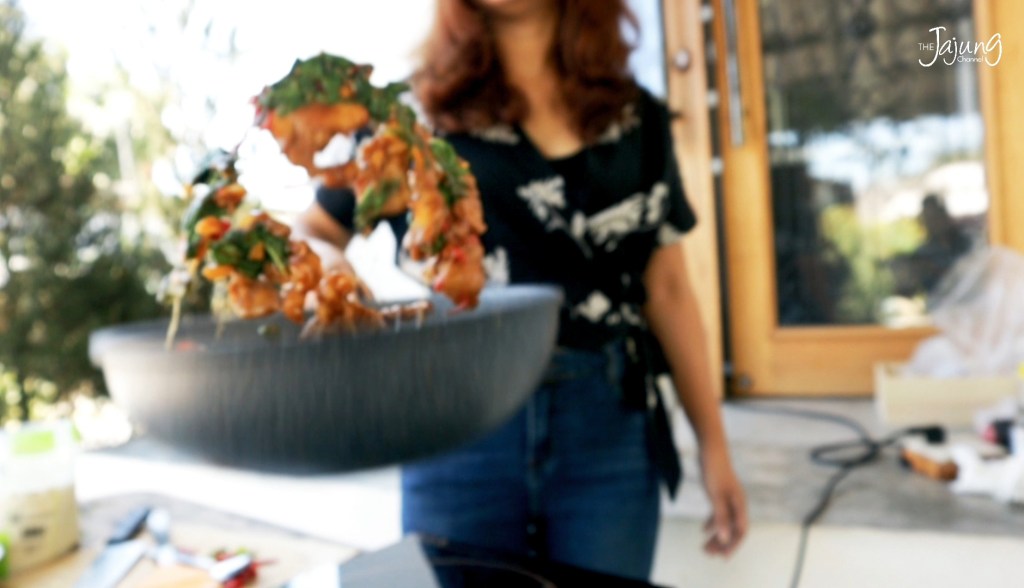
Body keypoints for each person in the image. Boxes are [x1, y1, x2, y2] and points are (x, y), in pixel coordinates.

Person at [293, 0, 747, 580]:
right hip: (456, 415)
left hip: (607, 420)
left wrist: (713, 445)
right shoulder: (405, 119)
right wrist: (333, 274)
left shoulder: (638, 118)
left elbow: (670, 288)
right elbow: (315, 230)